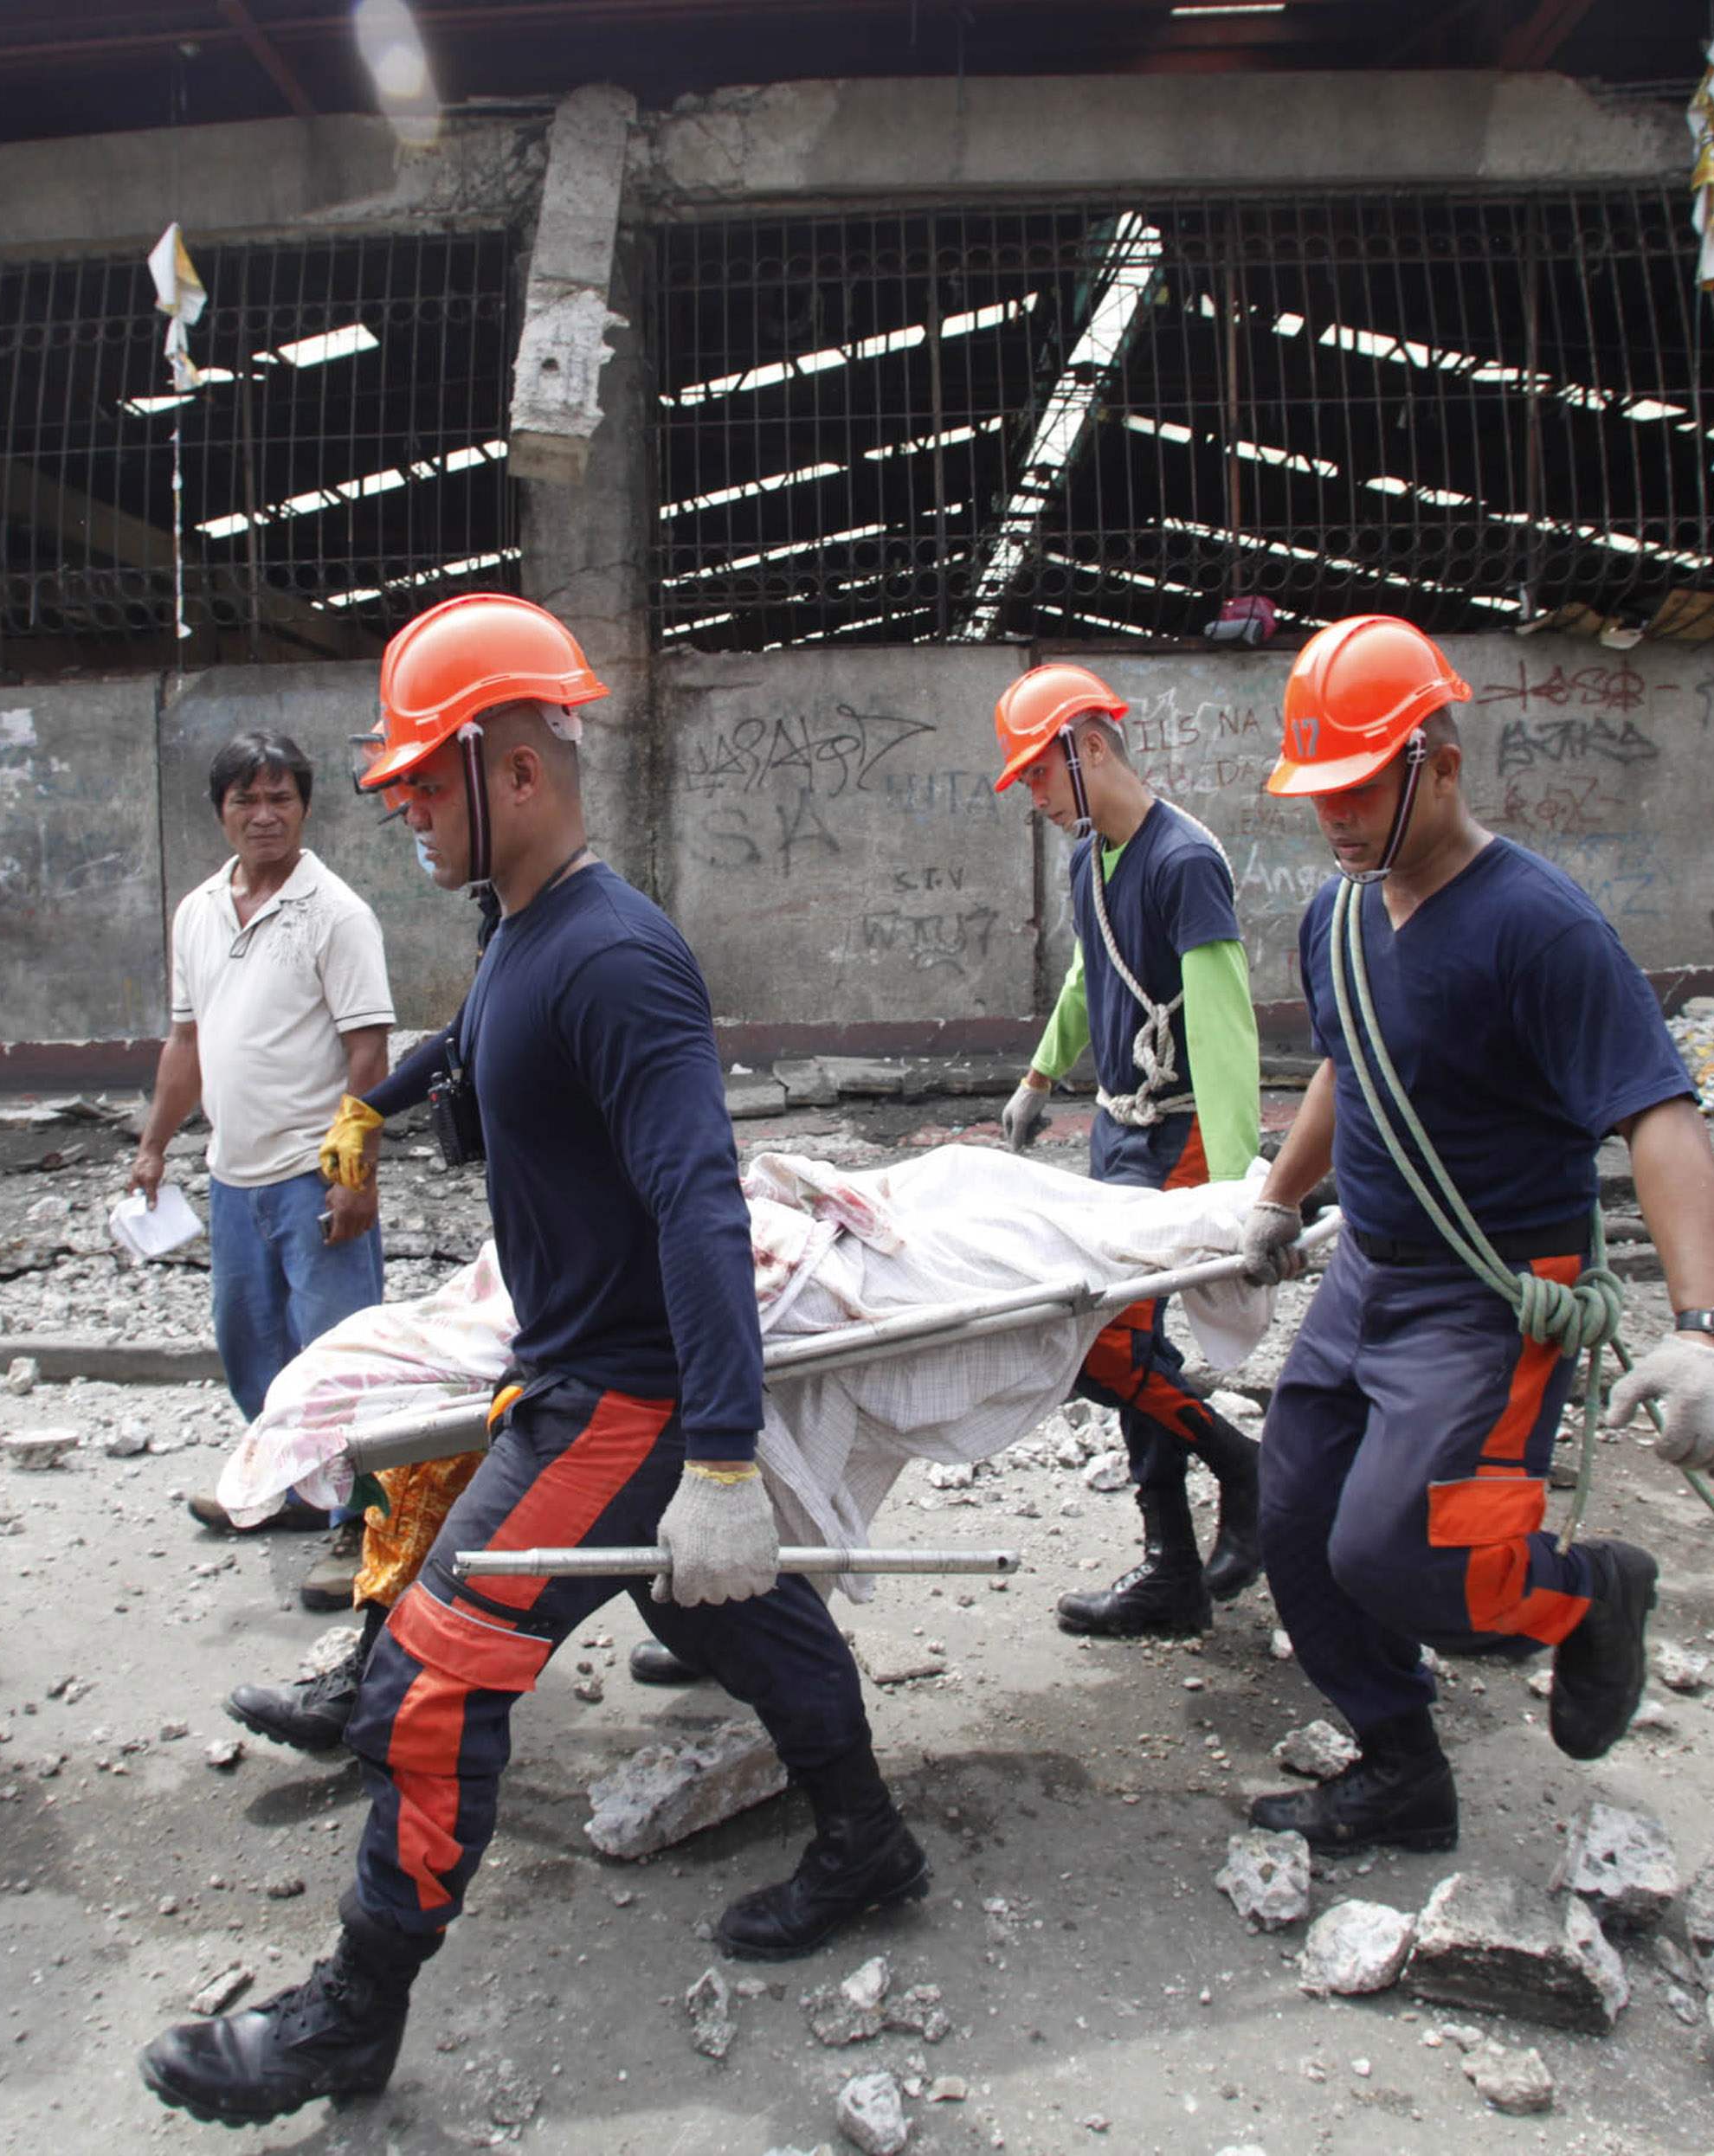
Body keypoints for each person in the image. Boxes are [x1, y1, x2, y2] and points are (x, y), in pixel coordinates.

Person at [141, 594, 920, 2127]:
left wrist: (714, 1459)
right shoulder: (524, 930)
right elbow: (484, 1038)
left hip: (619, 1390)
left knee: (427, 1689)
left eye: (425, 781)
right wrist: (382, 1099)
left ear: (512, 764)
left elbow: (700, 1201)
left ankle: (349, 2021)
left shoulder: (617, 957)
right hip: (566, 1364)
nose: (406, 810)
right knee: (744, 1628)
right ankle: (869, 1842)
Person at [1234, 616, 1714, 1852]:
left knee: (1410, 1550)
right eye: (1321, 793)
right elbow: (1343, 1067)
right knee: (1299, 1522)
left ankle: (1585, 1596)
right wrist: (1281, 1194)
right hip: (1368, 1271)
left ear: (1441, 763)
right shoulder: (1339, 916)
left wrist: (1713, 1331)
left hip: (1490, 1298)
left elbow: (1661, 1116)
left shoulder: (1541, 927)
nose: (1337, 817)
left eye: (1361, 788)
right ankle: (1400, 1762)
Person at [992, 663, 1265, 1638]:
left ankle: (1219, 1502)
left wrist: (1242, 1190)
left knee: (1110, 1344)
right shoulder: (1089, 858)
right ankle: (1189, 1544)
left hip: (1180, 1128)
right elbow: (1086, 976)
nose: (1032, 792)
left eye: (1036, 771)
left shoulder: (1184, 861)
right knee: (1120, 1344)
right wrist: (1039, 1076)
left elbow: (1226, 1028)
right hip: (1118, 1128)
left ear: (1089, 746)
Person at [133, 732, 395, 1578]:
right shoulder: (198, 909)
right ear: (221, 812)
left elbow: (368, 1058)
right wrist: (153, 1146)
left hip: (312, 1179)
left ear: (304, 806)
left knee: (339, 1357)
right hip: (232, 1178)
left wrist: (355, 1176)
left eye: (280, 798)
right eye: (246, 799)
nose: (264, 815)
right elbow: (186, 1042)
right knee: (248, 1343)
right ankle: (284, 1489)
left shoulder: (336, 914)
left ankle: (364, 1524)